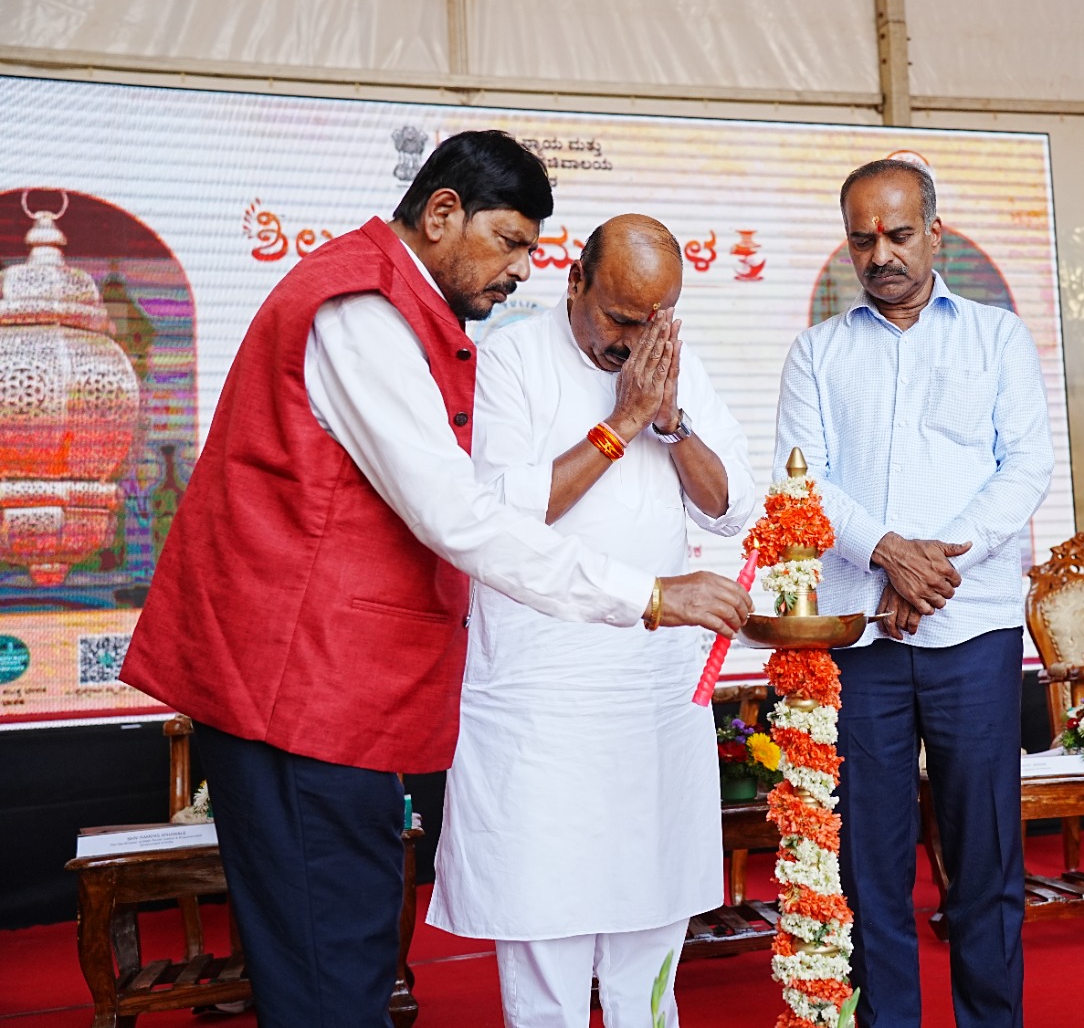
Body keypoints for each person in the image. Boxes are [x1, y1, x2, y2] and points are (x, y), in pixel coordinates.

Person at [116, 133, 752, 1028]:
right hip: (296, 687)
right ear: (444, 213)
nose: (521, 270)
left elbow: (731, 506)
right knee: (333, 969)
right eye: (510, 243)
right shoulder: (363, 313)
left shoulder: (406, 314)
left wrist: (666, 426)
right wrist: (650, 593)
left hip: (345, 696)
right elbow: (463, 517)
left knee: (351, 952)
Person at [427, 214, 757, 1027]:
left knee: (653, 946)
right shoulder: (507, 362)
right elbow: (500, 519)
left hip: (653, 701)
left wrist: (672, 423)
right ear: (574, 281)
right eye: (620, 318)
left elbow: (729, 507)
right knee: (549, 938)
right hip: (543, 709)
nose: (635, 342)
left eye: (655, 321)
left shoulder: (672, 365)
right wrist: (626, 422)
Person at [774, 159, 1054, 1028]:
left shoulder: (997, 338)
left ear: (935, 233)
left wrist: (935, 568)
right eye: (863, 240)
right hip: (861, 637)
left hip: (973, 631)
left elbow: (1026, 468)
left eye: (898, 234)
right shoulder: (817, 351)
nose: (881, 255)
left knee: (985, 856)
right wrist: (888, 553)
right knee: (868, 862)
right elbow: (803, 484)